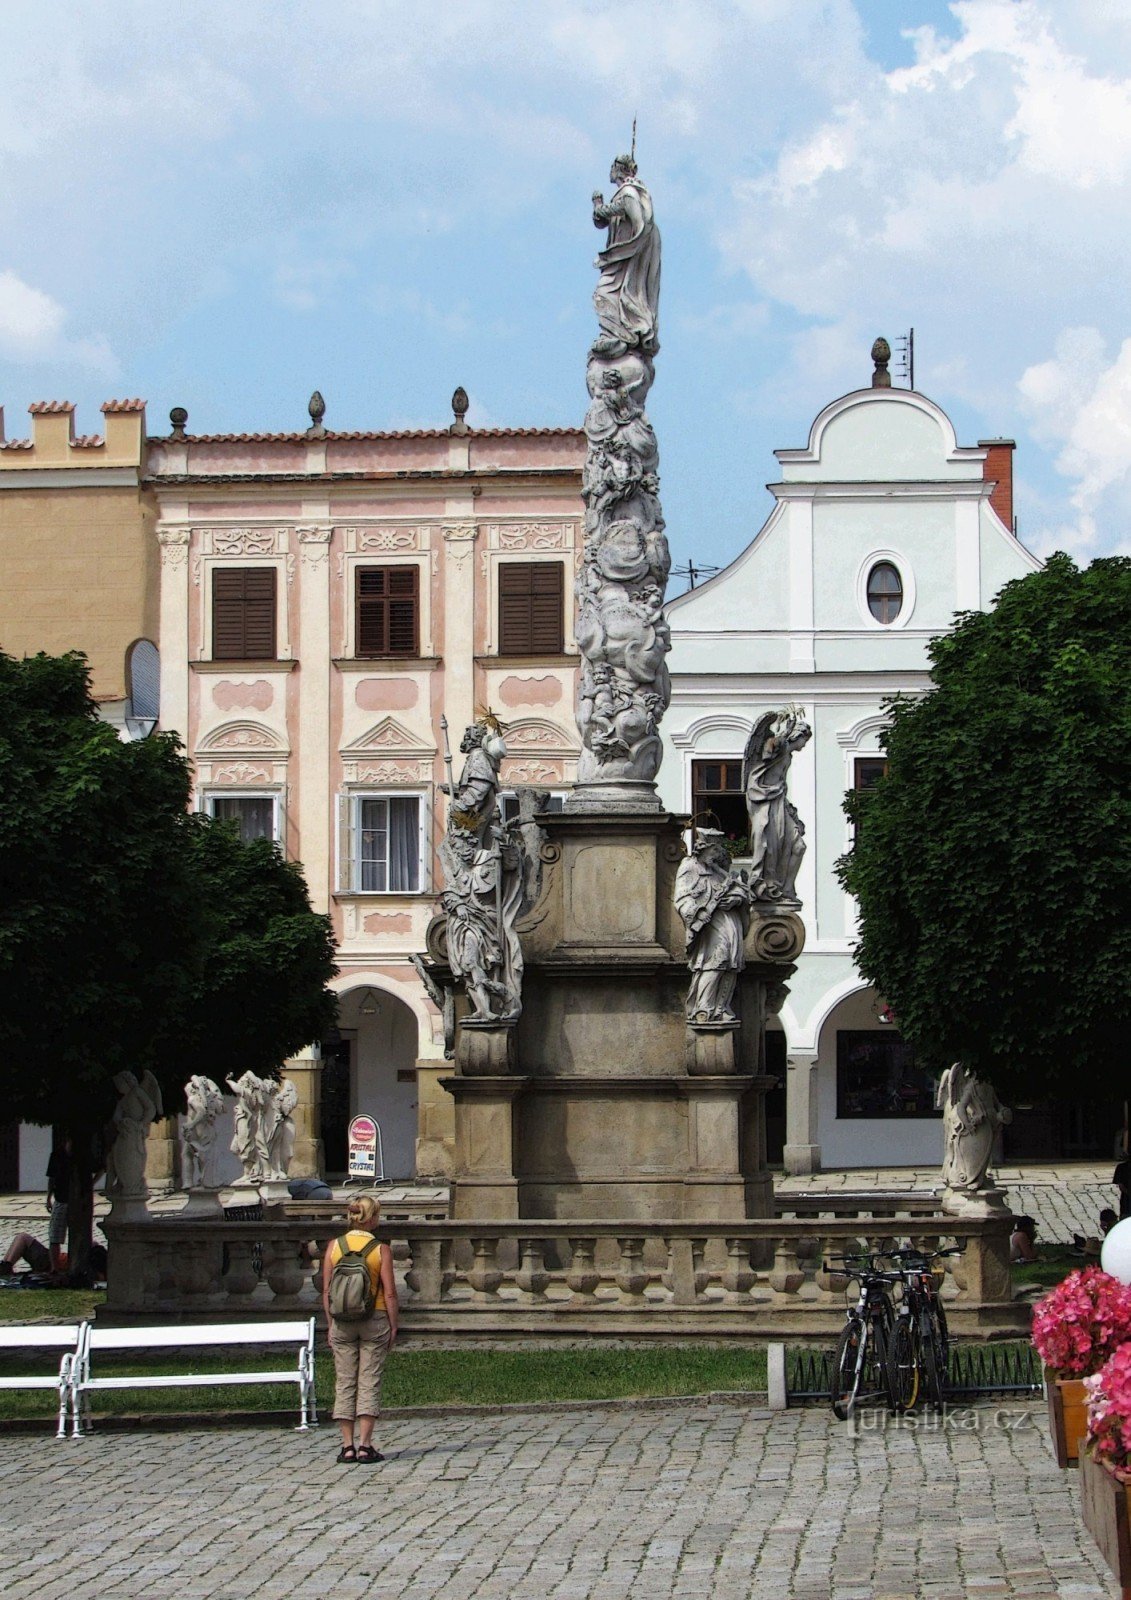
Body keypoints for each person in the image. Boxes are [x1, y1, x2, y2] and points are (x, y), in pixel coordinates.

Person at [321, 1195, 398, 1464]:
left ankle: (347, 1446)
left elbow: (327, 1290)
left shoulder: (334, 1246)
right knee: (369, 1379)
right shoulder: (381, 1250)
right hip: (373, 1317)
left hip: (342, 1320)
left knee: (345, 1381)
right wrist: (393, 1324)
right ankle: (365, 1445)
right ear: (372, 1218)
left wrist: (331, 1324)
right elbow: (389, 1293)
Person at [45, 1134, 72, 1272]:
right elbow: (52, 1178)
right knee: (55, 1235)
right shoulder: (57, 1155)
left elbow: (102, 1167)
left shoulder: (79, 1156)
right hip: (61, 1199)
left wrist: (91, 1184)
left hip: (77, 1202)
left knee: (77, 1236)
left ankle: (74, 1266)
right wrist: (48, 1197)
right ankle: (55, 1268)